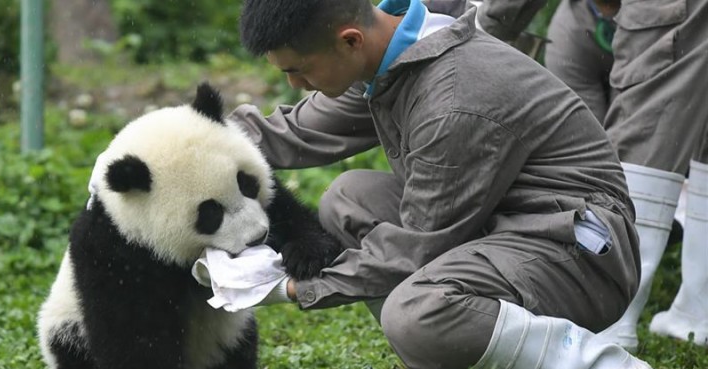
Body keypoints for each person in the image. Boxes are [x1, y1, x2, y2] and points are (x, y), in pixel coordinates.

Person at [224, 0, 653, 367]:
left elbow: (412, 249)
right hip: (506, 227)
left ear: (350, 40)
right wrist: (182, 139)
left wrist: (287, 286)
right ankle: (446, 350)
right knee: (348, 197)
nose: (294, 85)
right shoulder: (389, 57)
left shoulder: (452, 100)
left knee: (415, 313)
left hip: (579, 253)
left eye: (299, 70)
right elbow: (291, 134)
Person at [478, 0, 708, 353]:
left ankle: (610, 324)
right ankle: (696, 312)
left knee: (644, 127)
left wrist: (482, 24)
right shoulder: (570, 31)